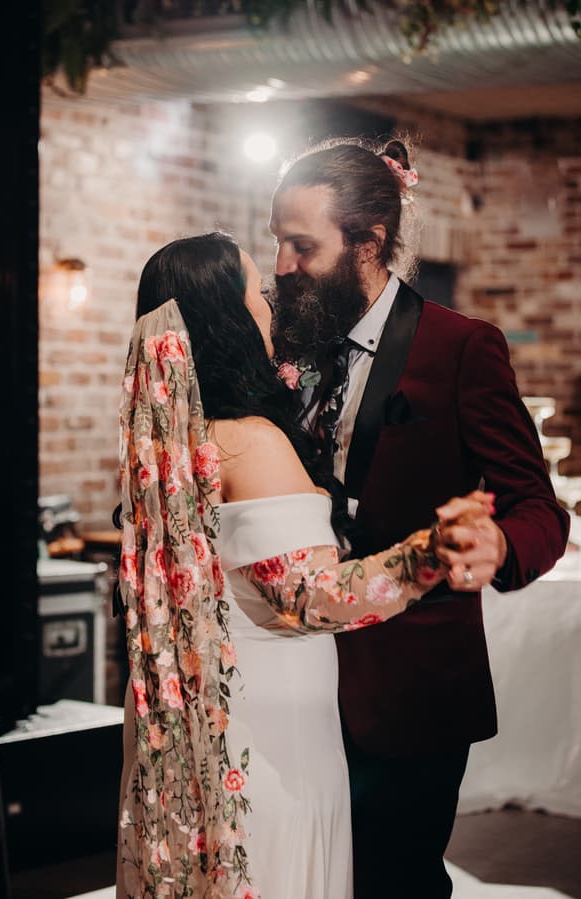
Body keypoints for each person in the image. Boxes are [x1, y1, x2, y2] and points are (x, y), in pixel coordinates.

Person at [115, 232, 492, 899]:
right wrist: (427, 554)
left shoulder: (163, 443)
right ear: (228, 314)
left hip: (196, 733)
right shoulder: (248, 442)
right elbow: (309, 598)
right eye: (256, 292)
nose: (269, 305)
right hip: (270, 744)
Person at [269, 138, 571, 899]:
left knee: (394, 882)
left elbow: (540, 506)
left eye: (301, 245)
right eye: (276, 241)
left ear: (368, 240)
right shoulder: (287, 341)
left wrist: (501, 541)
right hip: (294, 681)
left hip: (409, 691)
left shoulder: (462, 347)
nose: (281, 264)